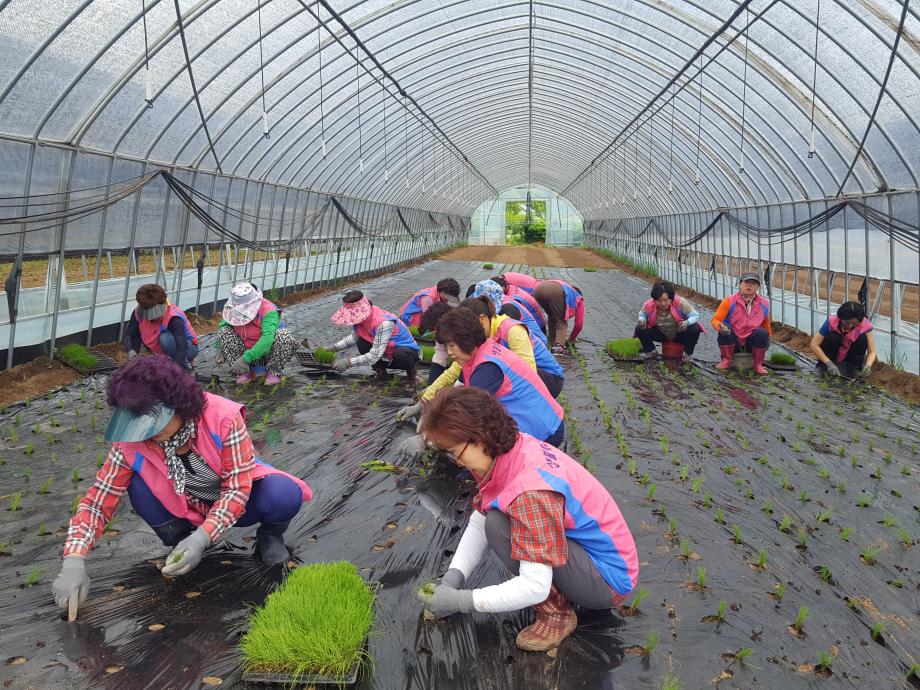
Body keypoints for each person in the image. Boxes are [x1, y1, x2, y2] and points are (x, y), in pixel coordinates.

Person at [50, 356, 313, 613]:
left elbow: (236, 488)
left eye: (155, 422)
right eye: (141, 425)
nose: (151, 434)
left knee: (283, 494)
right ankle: (181, 541)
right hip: (186, 506)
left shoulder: (221, 417)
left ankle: (268, 535)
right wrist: (74, 560)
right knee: (137, 484)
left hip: (240, 503)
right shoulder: (132, 443)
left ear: (178, 403)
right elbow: (98, 502)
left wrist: (203, 538)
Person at [416, 387, 639, 652]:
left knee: (499, 527)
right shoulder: (509, 450)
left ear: (478, 438)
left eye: (455, 452)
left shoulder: (530, 492)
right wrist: (453, 578)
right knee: (495, 521)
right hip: (589, 558)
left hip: (606, 581)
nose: (456, 462)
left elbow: (534, 586)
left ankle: (557, 614)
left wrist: (460, 601)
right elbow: (480, 518)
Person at [399, 306, 564, 449]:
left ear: (466, 340)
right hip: (533, 421)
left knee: (475, 452)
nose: (449, 352)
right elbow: (455, 393)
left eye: (451, 345)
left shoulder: (487, 368)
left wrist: (426, 439)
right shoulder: (475, 356)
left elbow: (466, 414)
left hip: (544, 431)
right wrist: (423, 406)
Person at [324, 290, 421, 381]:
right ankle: (381, 371)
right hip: (385, 353)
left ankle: (412, 372)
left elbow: (374, 355)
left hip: (406, 354)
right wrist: (333, 348)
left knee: (401, 354)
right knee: (361, 342)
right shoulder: (362, 320)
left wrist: (348, 362)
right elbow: (354, 337)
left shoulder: (383, 323)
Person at [216, 283, 299, 385]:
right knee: (224, 333)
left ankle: (274, 373)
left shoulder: (268, 310)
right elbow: (223, 325)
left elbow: (267, 339)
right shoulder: (233, 310)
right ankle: (242, 373)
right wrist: (219, 348)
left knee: (284, 336)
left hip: (269, 352)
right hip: (245, 350)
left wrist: (245, 359)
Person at [124, 283, 198, 369]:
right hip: (161, 350)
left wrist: (173, 370)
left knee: (165, 338)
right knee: (136, 330)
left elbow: (182, 347)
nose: (150, 319)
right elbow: (129, 334)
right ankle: (161, 359)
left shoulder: (174, 318)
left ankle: (184, 365)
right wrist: (131, 351)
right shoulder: (139, 312)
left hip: (187, 348)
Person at [711, 272, 772, 375]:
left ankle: (758, 365)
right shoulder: (729, 301)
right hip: (733, 340)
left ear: (758, 287)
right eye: (746, 282)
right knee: (726, 328)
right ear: (740, 284)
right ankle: (726, 361)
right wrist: (719, 326)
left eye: (753, 283)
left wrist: (768, 338)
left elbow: (766, 325)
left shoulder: (764, 303)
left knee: (762, 332)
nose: (749, 285)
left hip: (750, 342)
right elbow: (715, 319)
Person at [635, 281, 703, 362]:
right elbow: (642, 315)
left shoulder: (680, 303)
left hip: (679, 333)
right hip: (661, 333)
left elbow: (695, 316)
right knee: (639, 329)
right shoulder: (649, 305)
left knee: (694, 328)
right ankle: (651, 351)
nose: (663, 304)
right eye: (659, 301)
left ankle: (687, 354)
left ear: (671, 298)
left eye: (666, 300)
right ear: (654, 299)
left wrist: (686, 323)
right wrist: (642, 321)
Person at [811, 301, 876, 378]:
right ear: (841, 318)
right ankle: (823, 367)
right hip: (831, 357)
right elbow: (814, 345)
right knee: (833, 337)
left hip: (850, 358)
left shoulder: (865, 326)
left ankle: (853, 369)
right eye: (847, 323)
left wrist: (868, 365)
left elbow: (872, 352)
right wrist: (828, 363)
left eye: (854, 323)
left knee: (862, 339)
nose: (851, 326)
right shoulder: (831, 322)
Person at [473, 279, 547, 345]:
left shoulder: (507, 308)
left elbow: (502, 336)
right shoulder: (502, 299)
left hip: (536, 345)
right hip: (527, 342)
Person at [534, 279, 585, 352]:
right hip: (555, 292)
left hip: (538, 290)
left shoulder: (567, 289)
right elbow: (578, 325)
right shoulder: (579, 298)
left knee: (552, 318)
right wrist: (571, 339)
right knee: (561, 322)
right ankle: (558, 349)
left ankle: (551, 343)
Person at [419, 302, 453, 384]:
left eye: (435, 331)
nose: (435, 334)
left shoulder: (464, 333)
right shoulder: (441, 335)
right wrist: (431, 385)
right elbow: (440, 359)